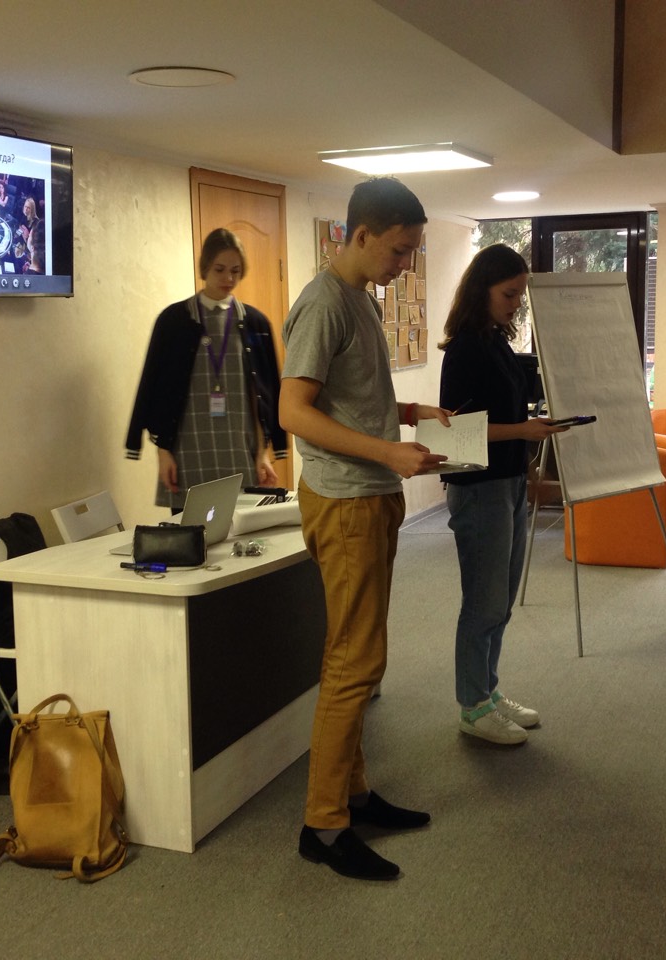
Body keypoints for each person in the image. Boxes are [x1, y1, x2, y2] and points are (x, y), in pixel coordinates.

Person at [280, 178, 450, 881]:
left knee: (359, 656)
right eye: (400, 251)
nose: (405, 265)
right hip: (347, 500)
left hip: (370, 496)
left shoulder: (358, 298)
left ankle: (352, 795)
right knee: (354, 665)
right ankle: (323, 825)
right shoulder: (323, 303)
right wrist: (388, 451)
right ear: (360, 235)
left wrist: (409, 414)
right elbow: (294, 413)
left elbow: (348, 398)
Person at [437, 244, 566, 745]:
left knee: (502, 600)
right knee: (483, 602)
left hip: (508, 481)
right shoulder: (465, 350)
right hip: (478, 489)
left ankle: (487, 692)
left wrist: (527, 455)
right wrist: (523, 432)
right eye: (509, 294)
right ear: (482, 290)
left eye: (520, 295)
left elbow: (508, 412)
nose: (516, 303)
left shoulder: (495, 341)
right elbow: (456, 431)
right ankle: (472, 707)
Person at [126, 228, 286, 509]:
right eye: (220, 269)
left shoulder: (255, 324)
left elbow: (265, 394)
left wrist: (263, 453)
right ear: (205, 267)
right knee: (189, 533)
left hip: (239, 452)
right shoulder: (174, 321)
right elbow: (154, 386)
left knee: (241, 530)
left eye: (235, 271)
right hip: (188, 454)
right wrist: (163, 452)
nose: (228, 279)